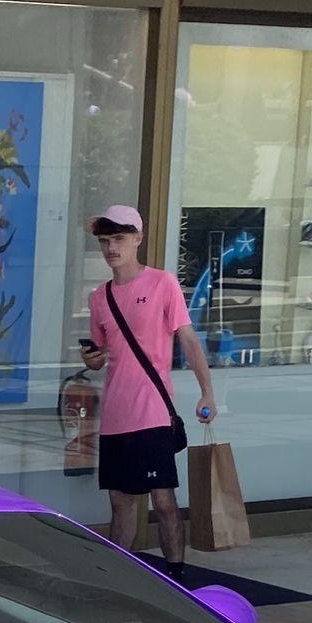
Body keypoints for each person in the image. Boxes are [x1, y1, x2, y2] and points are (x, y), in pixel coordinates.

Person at [78, 205, 216, 574]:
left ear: (138, 238)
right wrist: (91, 359)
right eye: (105, 241)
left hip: (154, 410)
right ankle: (118, 578)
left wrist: (207, 392)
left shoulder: (162, 283)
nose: (111, 248)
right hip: (115, 416)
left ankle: (176, 575)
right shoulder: (99, 297)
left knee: (164, 500)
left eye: (119, 239)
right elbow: (100, 355)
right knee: (121, 502)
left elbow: (187, 339)